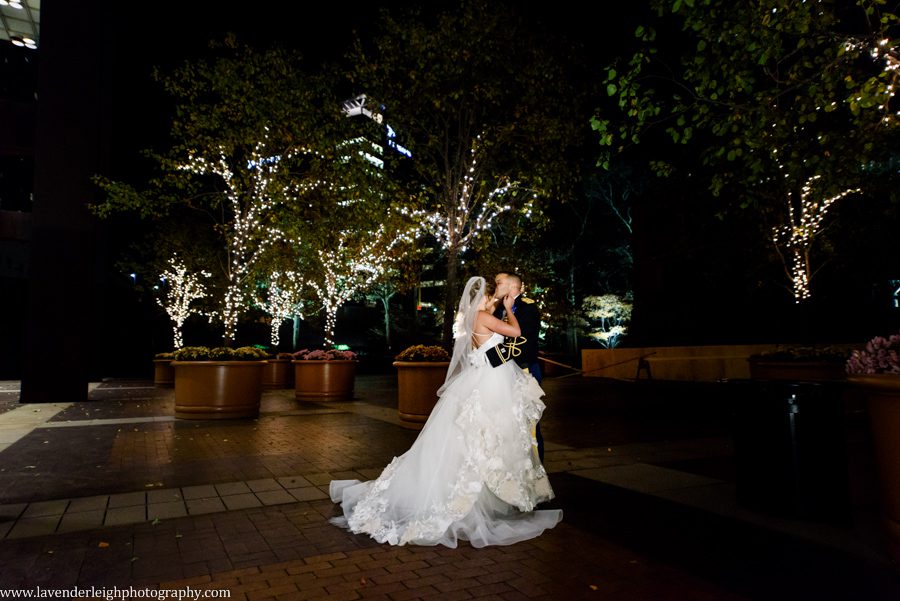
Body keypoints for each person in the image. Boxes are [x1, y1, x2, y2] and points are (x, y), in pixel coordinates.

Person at [329, 276, 561, 547]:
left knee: (477, 435)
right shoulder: (486, 316)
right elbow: (517, 335)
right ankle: (486, 492)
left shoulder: (474, 316)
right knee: (489, 434)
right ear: (484, 297)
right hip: (491, 379)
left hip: (482, 376)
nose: (495, 296)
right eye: (492, 292)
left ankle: (491, 489)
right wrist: (509, 309)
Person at [492, 272, 545, 461]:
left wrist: (494, 358)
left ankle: (537, 467)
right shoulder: (498, 308)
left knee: (529, 421)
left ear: (512, 286)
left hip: (524, 369)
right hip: (503, 373)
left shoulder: (528, 307)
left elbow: (523, 340)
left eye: (499, 282)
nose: (495, 285)